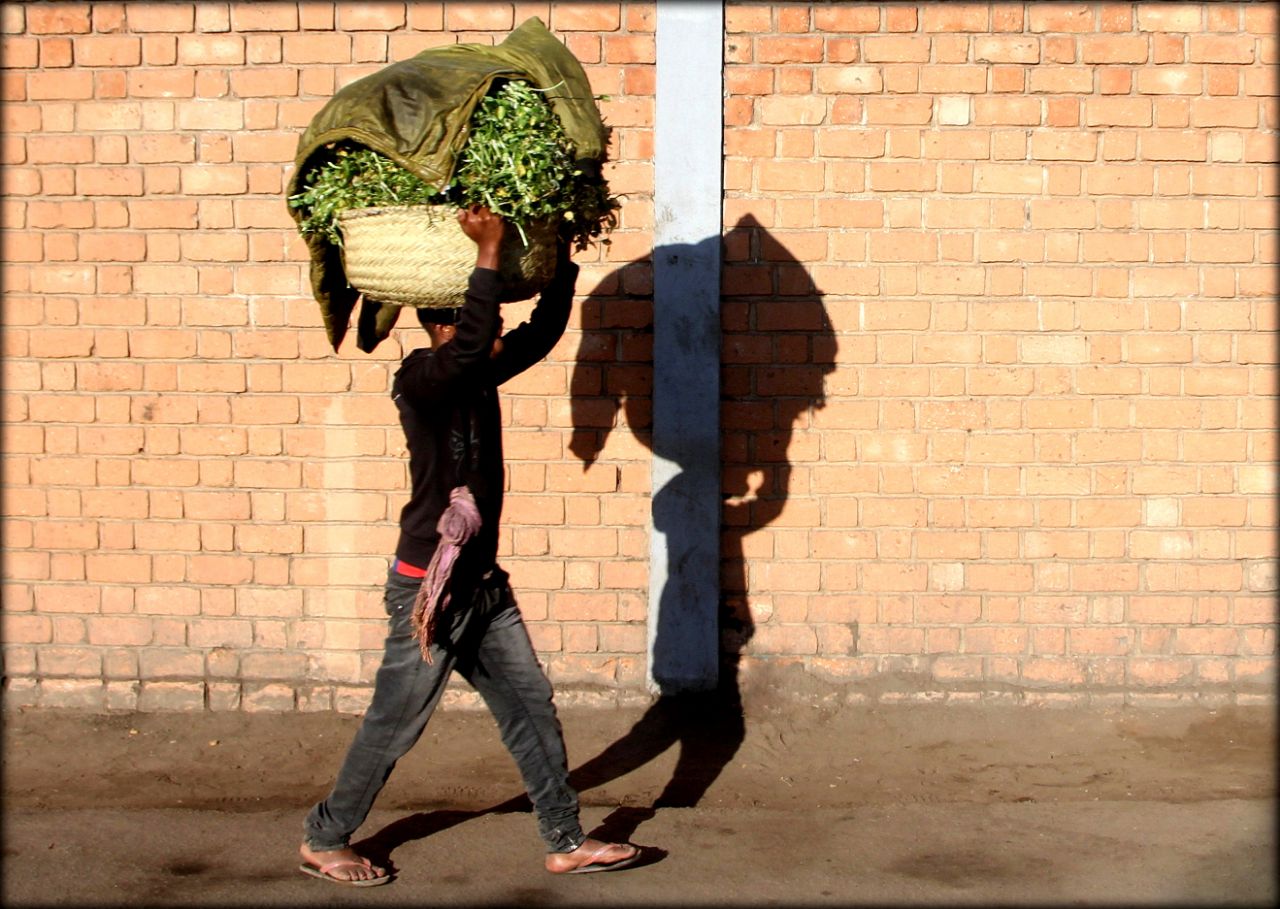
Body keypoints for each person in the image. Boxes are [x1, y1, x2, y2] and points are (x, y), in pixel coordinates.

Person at [298, 206, 639, 886]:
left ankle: (565, 838)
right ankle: (324, 835)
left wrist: (562, 261)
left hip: (483, 586)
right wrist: (486, 250)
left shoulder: (478, 372)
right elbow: (477, 335)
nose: (499, 335)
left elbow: (539, 333)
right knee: (396, 721)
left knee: (530, 705)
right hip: (431, 587)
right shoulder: (424, 379)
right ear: (445, 324)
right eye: (482, 324)